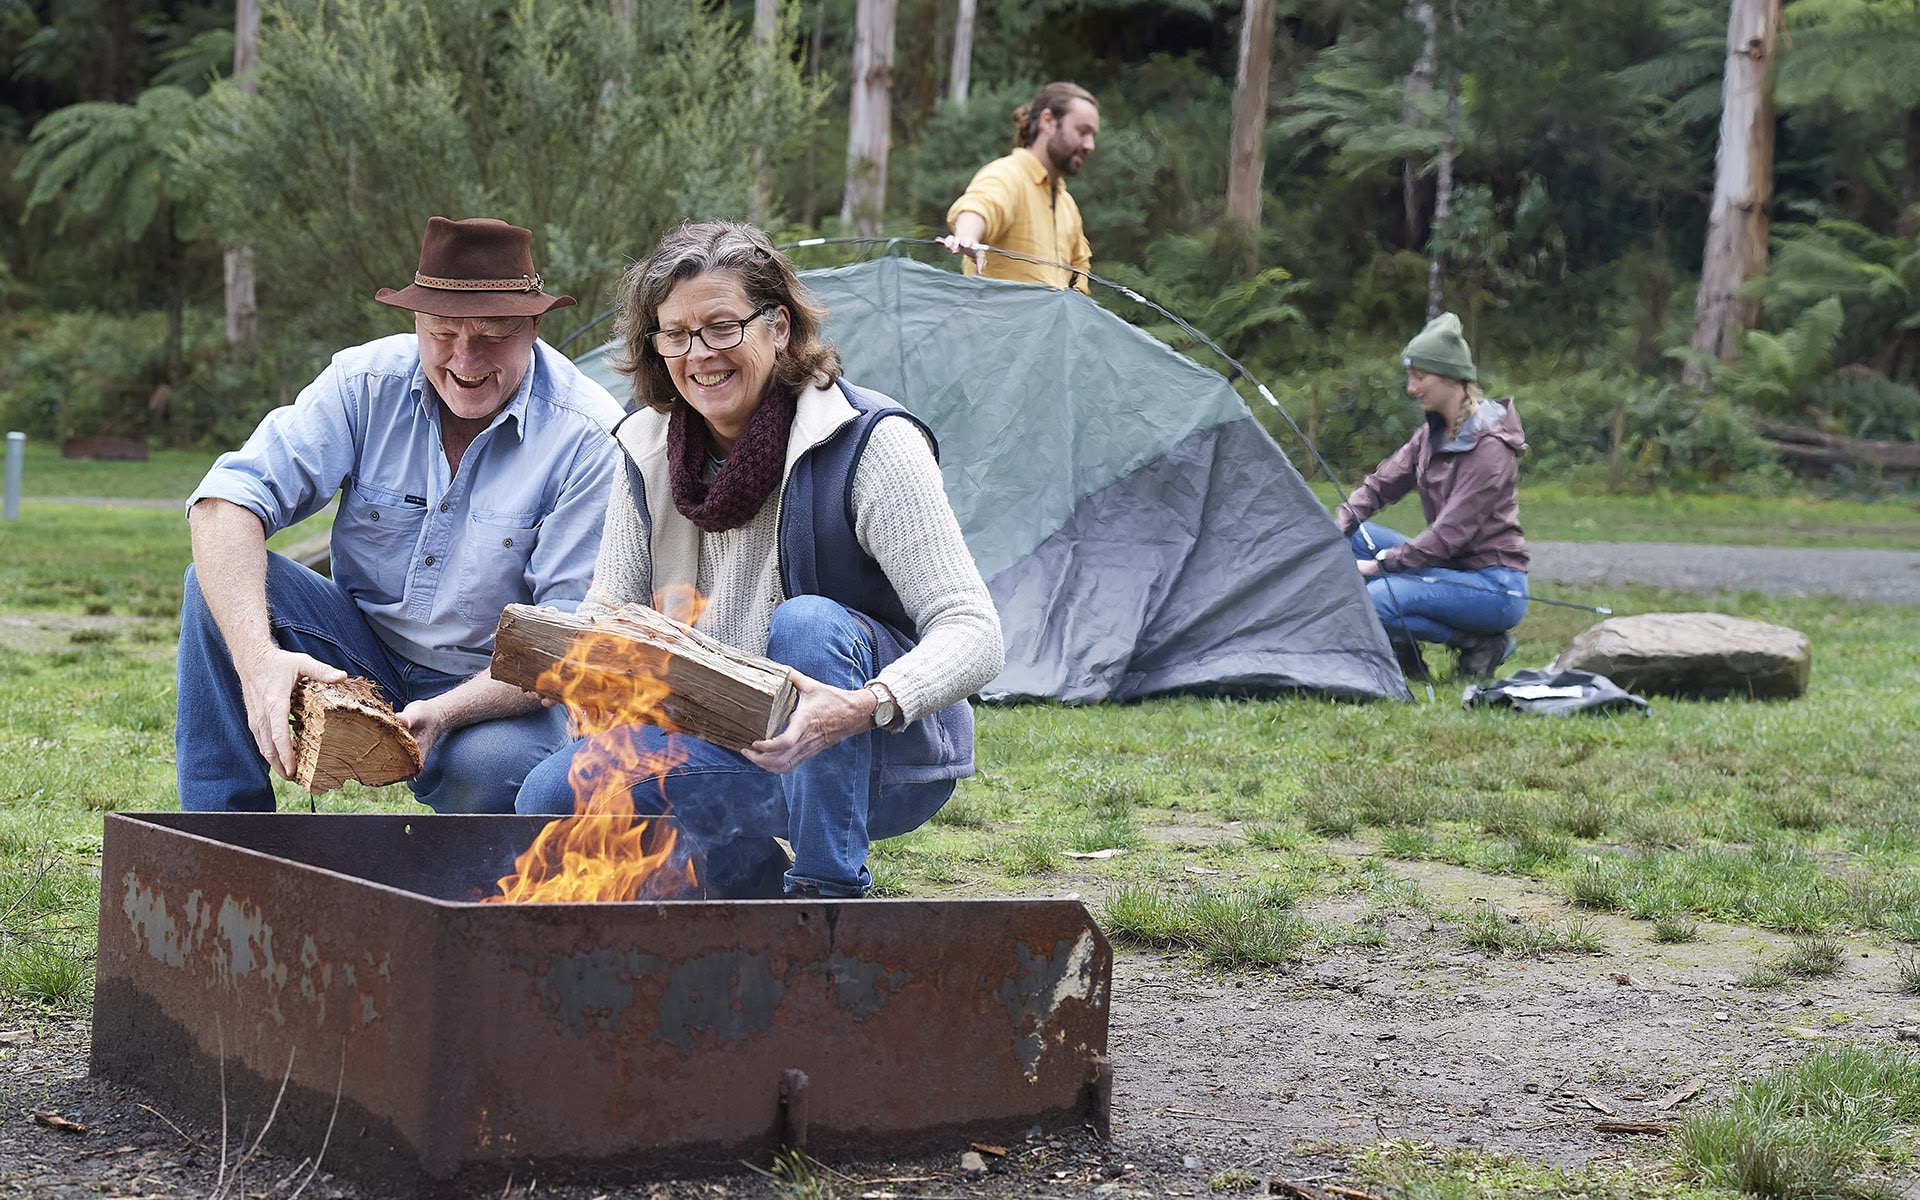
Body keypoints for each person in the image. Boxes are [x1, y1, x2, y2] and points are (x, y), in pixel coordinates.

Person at [516, 221, 1004, 899]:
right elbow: (609, 616)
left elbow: (974, 629)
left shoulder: (869, 442)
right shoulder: (647, 451)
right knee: (551, 794)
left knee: (808, 624)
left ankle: (824, 902)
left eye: (721, 327)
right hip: (734, 746)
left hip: (874, 757)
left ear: (777, 326)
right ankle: (739, 906)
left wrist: (865, 705)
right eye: (676, 335)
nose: (699, 355)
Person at [176, 216, 626, 814]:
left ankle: (466, 894)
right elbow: (222, 502)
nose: (466, 359)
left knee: (493, 771)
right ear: (416, 321)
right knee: (214, 585)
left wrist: (443, 713)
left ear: (534, 326)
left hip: (497, 687)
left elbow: (561, 645)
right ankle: (220, 842)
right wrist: (259, 665)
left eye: (494, 334)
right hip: (362, 651)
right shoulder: (363, 382)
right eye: (442, 331)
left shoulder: (589, 435)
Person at [1334, 313, 1529, 680]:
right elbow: (1379, 486)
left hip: (1494, 586)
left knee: (1375, 600)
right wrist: (1334, 529)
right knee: (1353, 538)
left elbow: (1446, 537)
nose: (1411, 388)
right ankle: (1404, 652)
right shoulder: (1432, 435)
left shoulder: (1491, 449)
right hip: (1446, 568)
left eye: (1419, 377)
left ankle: (1481, 642)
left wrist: (1379, 566)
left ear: (1453, 379)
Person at [940, 82, 1099, 292]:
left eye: (1092, 135)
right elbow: (980, 206)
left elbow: (1080, 273)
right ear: (1049, 121)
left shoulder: (1068, 206)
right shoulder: (1007, 174)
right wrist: (967, 237)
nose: (1090, 145)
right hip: (993, 324)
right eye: (1082, 131)